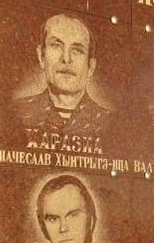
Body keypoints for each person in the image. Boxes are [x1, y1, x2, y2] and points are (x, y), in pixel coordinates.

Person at [12, 14, 112, 148]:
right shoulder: (14, 115)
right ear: (41, 57)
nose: (66, 58)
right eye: (56, 46)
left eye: (77, 50)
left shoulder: (112, 124)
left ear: (91, 66)